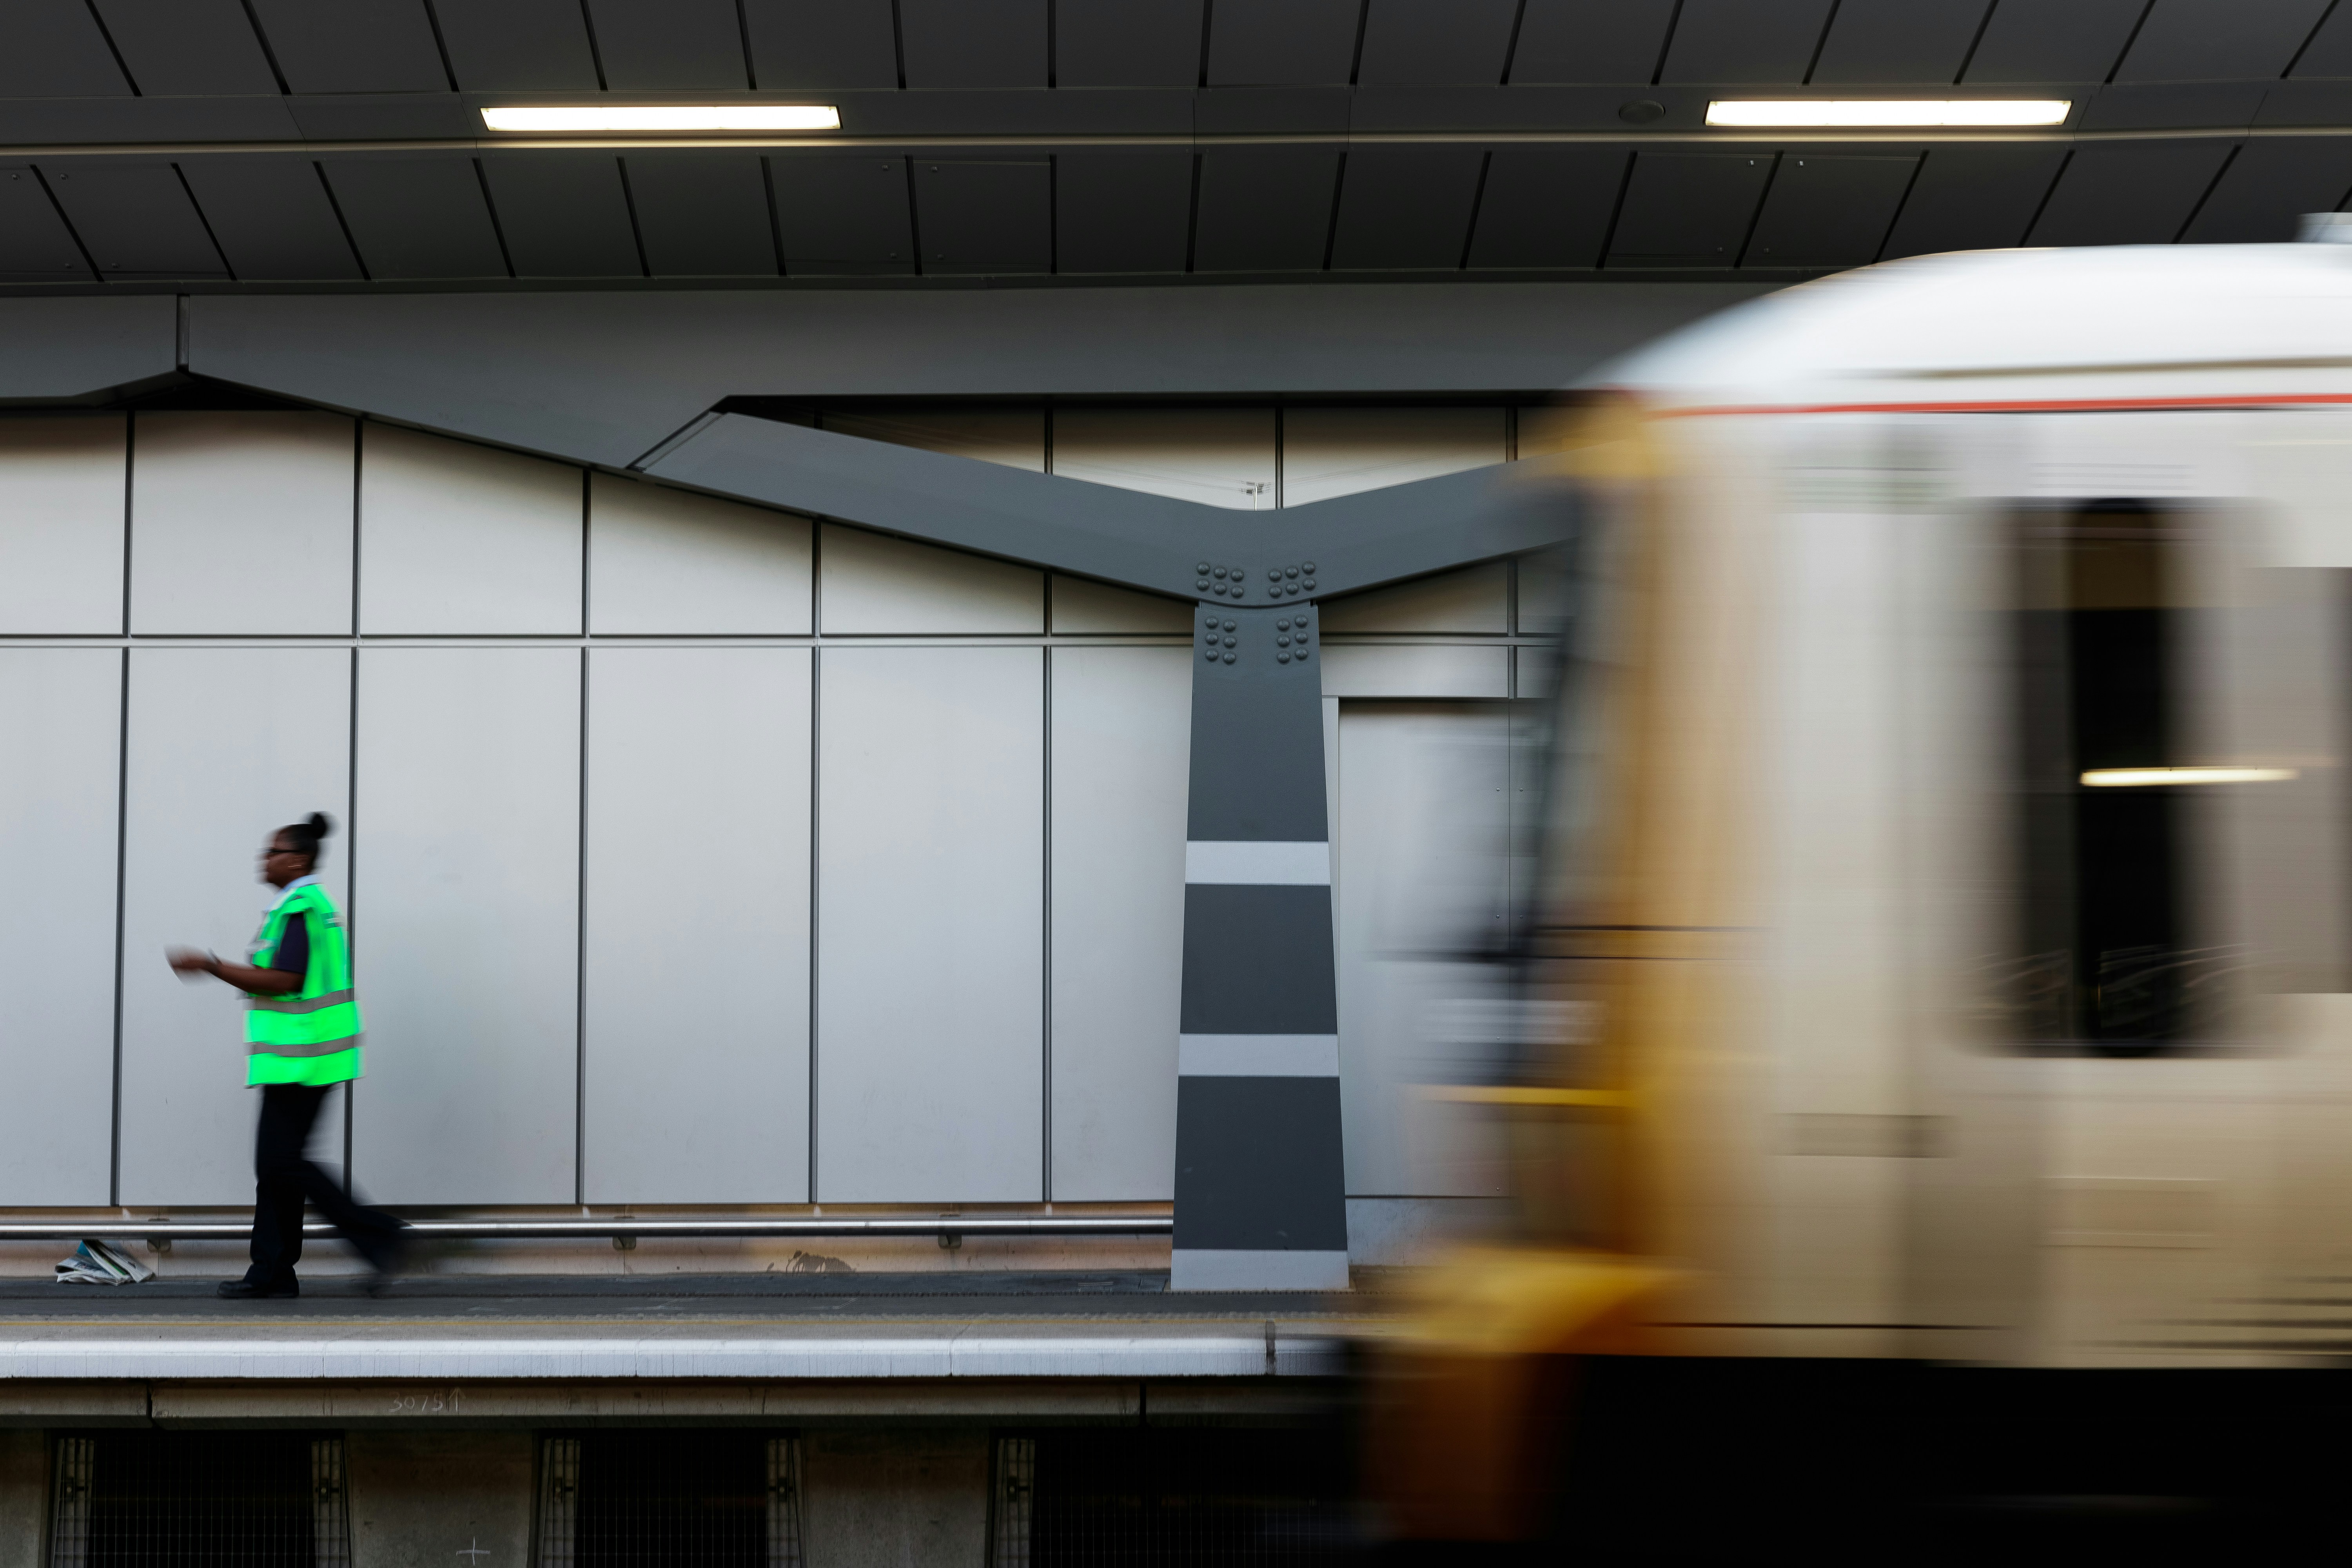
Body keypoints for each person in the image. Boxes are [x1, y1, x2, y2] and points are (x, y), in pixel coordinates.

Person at [167, 813, 407, 1298]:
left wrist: (212, 965)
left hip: (304, 1059)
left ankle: (381, 1236)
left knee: (283, 1161)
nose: (265, 858)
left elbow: (286, 980)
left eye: (273, 851)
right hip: (302, 1058)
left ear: (298, 860)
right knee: (276, 1165)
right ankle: (274, 1270)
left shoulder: (300, 907)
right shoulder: (301, 906)